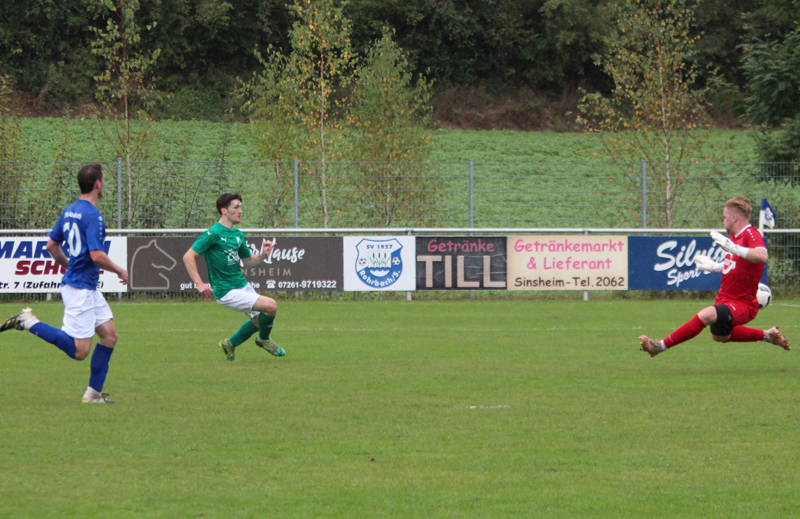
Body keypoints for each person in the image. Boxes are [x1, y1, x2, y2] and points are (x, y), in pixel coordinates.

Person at [1, 163, 129, 403]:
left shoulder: (70, 211)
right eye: (104, 179)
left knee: (110, 336)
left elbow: (51, 245)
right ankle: (28, 322)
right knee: (80, 351)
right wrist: (120, 271)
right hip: (80, 289)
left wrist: (69, 265)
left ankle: (93, 394)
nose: (105, 183)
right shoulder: (93, 216)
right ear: (97, 184)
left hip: (85, 286)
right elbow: (96, 256)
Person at [639, 196, 790, 357]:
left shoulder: (751, 234)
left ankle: (659, 347)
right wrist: (714, 267)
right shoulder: (733, 238)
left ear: (734, 217)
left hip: (743, 303)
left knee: (707, 315)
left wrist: (735, 249)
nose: (723, 221)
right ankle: (767, 336)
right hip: (725, 298)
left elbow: (762, 256)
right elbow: (736, 265)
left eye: (724, 217)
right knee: (719, 336)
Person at [182, 193, 285, 361]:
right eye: (236, 207)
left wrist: (264, 255)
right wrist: (199, 283)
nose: (240, 211)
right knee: (271, 306)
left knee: (259, 321)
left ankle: (229, 344)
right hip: (226, 291)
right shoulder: (214, 233)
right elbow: (188, 256)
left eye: (240, 207)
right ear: (224, 210)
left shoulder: (238, 235)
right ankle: (263, 339)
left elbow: (248, 261)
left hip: (241, 285)